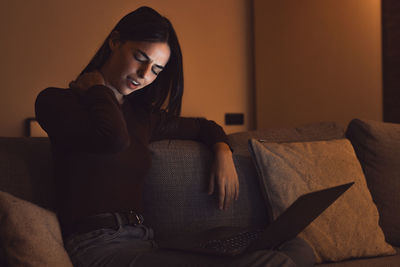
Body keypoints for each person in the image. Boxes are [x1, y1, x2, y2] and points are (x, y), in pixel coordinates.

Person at [35, 6, 315, 267]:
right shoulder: (55, 102)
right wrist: (99, 91)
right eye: (140, 58)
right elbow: (113, 138)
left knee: (294, 247)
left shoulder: (143, 118)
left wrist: (222, 151)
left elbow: (205, 127)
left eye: (156, 69)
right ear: (115, 41)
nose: (144, 75)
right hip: (97, 247)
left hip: (147, 243)